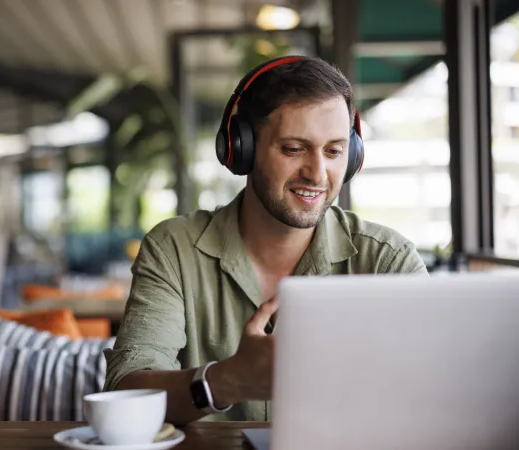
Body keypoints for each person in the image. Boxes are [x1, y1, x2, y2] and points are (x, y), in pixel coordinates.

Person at [102, 55, 428, 426]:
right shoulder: (173, 249)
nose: (317, 173)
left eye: (334, 151)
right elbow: (126, 392)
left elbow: (437, 391)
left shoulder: (389, 262)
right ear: (241, 147)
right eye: (293, 149)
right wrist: (226, 381)